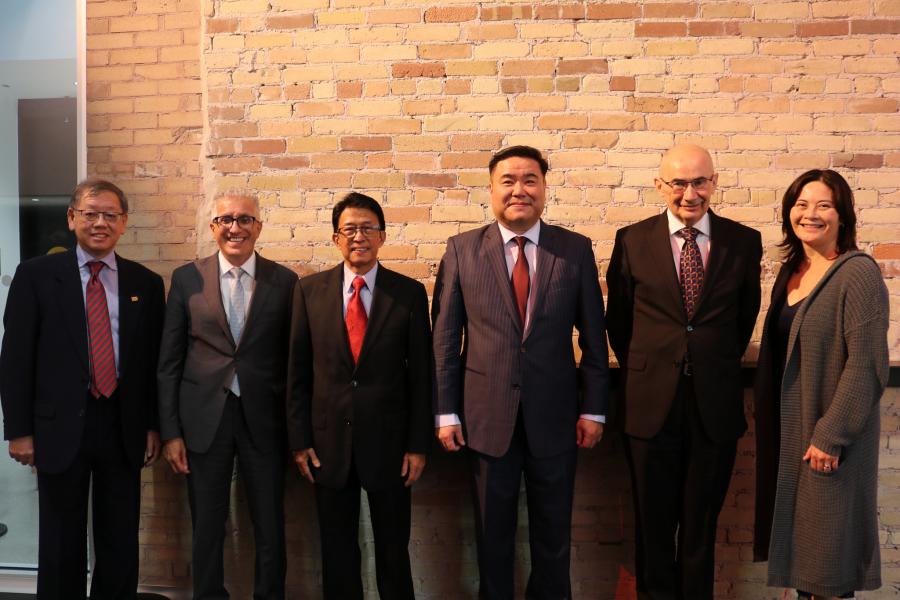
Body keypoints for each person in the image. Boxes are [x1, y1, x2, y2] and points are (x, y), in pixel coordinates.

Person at [432, 145, 610, 599]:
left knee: (554, 539)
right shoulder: (462, 250)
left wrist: (594, 409)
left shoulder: (574, 250)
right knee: (492, 538)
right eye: (508, 181)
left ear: (544, 188)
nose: (519, 190)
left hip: (556, 418)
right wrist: (446, 412)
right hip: (485, 420)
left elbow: (594, 337)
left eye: (530, 180)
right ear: (491, 189)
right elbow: (446, 339)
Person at [606, 144, 762, 600]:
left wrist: (710, 361)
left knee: (701, 528)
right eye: (678, 183)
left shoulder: (743, 241)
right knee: (652, 528)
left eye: (699, 182)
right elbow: (619, 321)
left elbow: (744, 317)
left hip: (714, 406)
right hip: (648, 407)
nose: (690, 193)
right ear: (660, 186)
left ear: (714, 183)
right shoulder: (631, 240)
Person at [0, 178, 165, 599]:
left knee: (120, 539)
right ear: (72, 218)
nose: (100, 223)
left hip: (123, 425)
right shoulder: (35, 276)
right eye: (90, 214)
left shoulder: (145, 283)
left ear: (123, 222)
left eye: (110, 215)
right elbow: (16, 358)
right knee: (60, 541)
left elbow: (152, 364)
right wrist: (18, 430)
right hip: (58, 426)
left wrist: (152, 425)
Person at [287, 192, 431, 600]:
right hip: (327, 444)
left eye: (368, 228)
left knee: (393, 550)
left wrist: (418, 445)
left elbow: (422, 377)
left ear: (382, 236)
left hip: (391, 444)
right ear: (336, 238)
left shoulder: (408, 293)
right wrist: (300, 441)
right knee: (337, 552)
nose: (359, 236)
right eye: (349, 229)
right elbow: (297, 373)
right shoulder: (309, 291)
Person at [753, 169, 888, 599]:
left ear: (842, 215)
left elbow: (867, 365)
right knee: (803, 563)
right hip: (791, 435)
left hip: (829, 441)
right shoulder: (792, 272)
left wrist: (831, 435)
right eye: (801, 204)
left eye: (824, 205)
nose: (810, 214)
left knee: (827, 567)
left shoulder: (857, 273)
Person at [157, 191, 296, 599]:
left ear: (259, 227)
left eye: (245, 219)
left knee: (270, 524)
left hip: (265, 420)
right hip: (203, 420)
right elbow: (169, 362)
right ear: (213, 227)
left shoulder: (284, 281)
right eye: (226, 220)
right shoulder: (187, 278)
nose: (236, 227)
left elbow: (294, 361)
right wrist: (171, 433)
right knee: (206, 524)